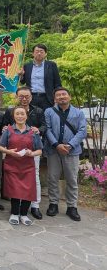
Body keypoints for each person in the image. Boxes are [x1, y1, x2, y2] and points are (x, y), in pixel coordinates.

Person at [2, 86, 46, 220]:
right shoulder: (10, 111)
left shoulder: (38, 111)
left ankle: (35, 205)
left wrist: (39, 130)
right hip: (13, 151)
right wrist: (4, 128)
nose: (24, 98)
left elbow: (44, 126)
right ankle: (16, 210)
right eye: (21, 96)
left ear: (31, 97)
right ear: (17, 97)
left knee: (34, 177)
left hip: (31, 150)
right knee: (14, 179)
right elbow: (4, 126)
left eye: (27, 96)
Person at [44, 87, 87, 221]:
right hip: (53, 150)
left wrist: (70, 145)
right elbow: (47, 129)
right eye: (58, 95)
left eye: (64, 94)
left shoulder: (78, 113)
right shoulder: (49, 111)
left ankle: (72, 207)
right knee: (52, 178)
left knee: (72, 180)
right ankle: (53, 204)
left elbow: (82, 131)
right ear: (55, 98)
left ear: (69, 97)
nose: (61, 97)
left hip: (72, 151)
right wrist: (57, 145)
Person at [19, 44, 62, 111]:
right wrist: (21, 75)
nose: (39, 53)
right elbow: (22, 81)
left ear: (45, 54)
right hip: (31, 97)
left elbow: (57, 83)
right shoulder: (27, 66)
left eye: (41, 52)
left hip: (47, 97)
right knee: (32, 118)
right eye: (37, 51)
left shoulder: (51, 65)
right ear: (33, 53)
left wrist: (57, 97)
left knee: (47, 118)